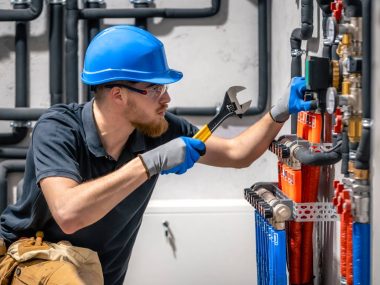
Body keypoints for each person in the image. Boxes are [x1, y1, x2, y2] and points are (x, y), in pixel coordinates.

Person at [0, 25, 311, 284]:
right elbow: (69, 214)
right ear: (118, 94)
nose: (167, 98)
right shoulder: (57, 130)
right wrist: (149, 163)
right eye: (155, 88)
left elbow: (236, 153)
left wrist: (278, 112)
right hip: (25, 260)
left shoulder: (157, 129)